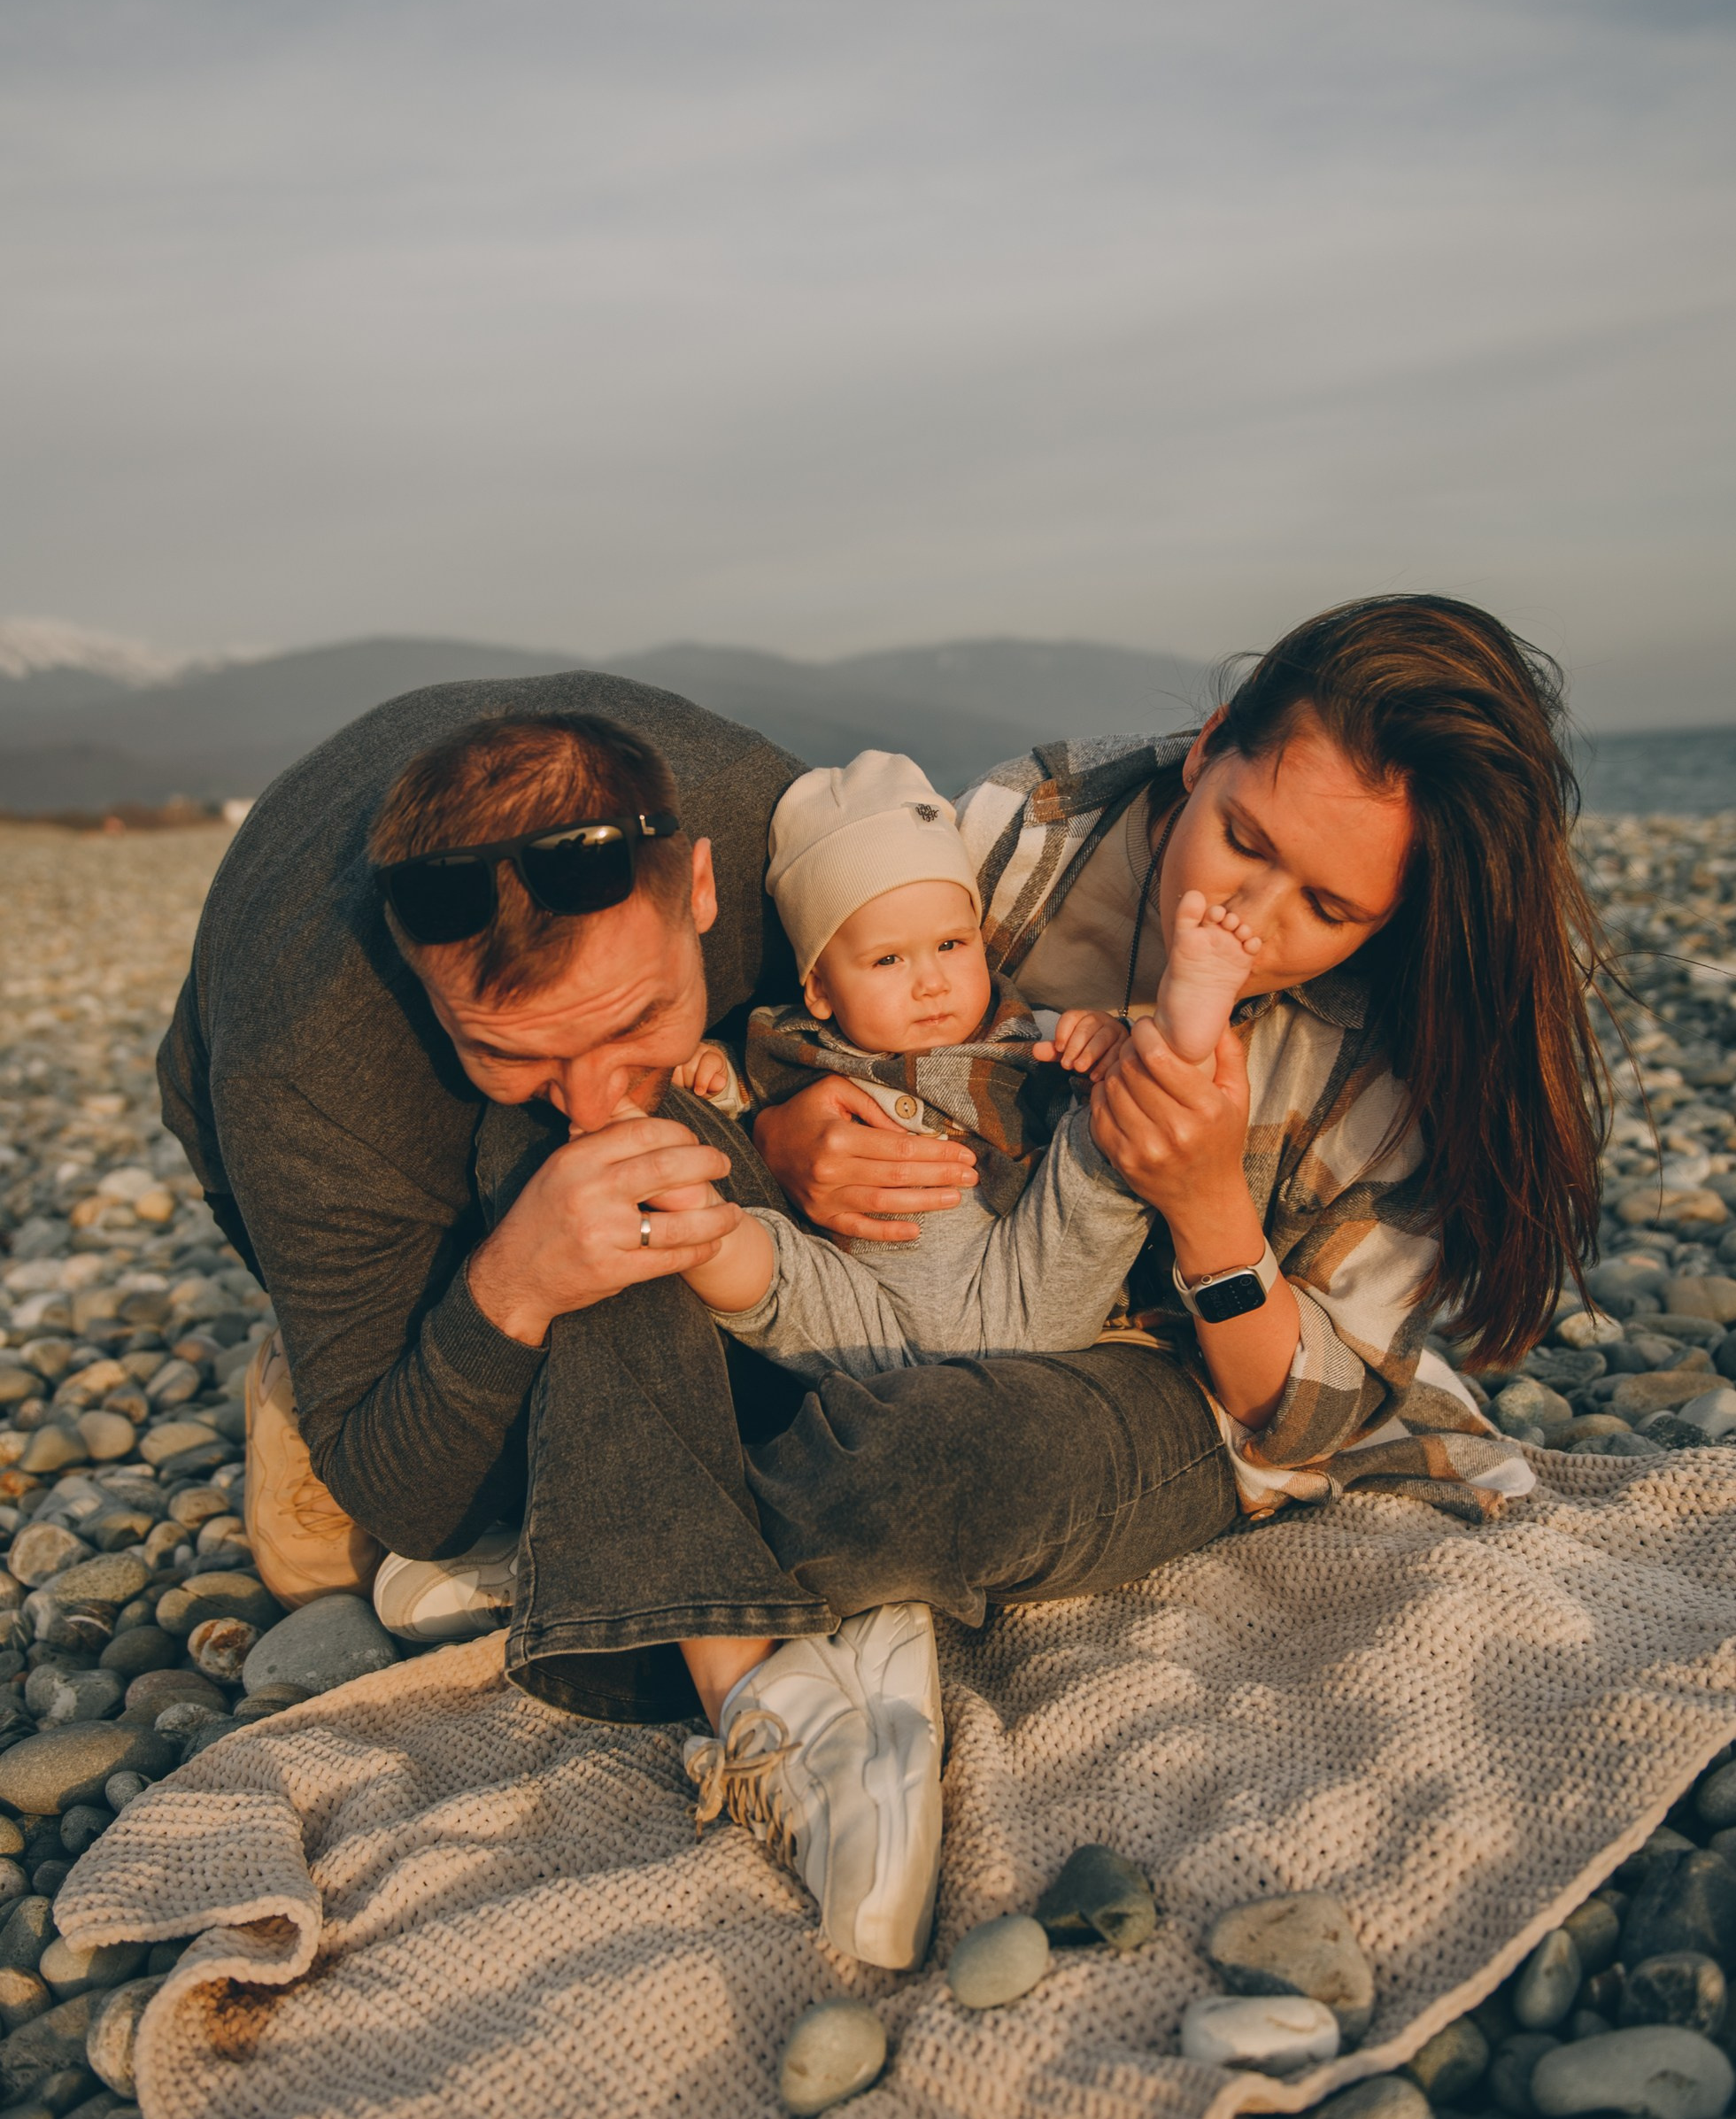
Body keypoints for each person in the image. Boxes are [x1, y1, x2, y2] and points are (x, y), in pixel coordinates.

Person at [162, 598, 1606, 1973]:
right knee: (612, 1162)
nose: (1243, 910)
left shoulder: (1397, 1058)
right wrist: (795, 1113)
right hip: (868, 1281)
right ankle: (660, 1570)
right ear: (1209, 741)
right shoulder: (1020, 836)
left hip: (1141, 1371)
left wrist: (1211, 1212)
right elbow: (808, 1001)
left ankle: (579, 1537)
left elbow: (1304, 1424)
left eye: (1327, 905)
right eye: (1238, 837)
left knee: (933, 1467)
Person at [674, 746, 1144, 1377]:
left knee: (1108, 1132)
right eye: (888, 960)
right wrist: (714, 1075)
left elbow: (1081, 1096)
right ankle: (685, 1216)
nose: (931, 983)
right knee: (762, 1274)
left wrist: (1104, 1046)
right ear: (820, 989)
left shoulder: (1029, 1037)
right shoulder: (795, 1046)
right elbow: (749, 1082)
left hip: (1018, 1281)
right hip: (870, 1315)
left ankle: (1188, 1021)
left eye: (951, 944)